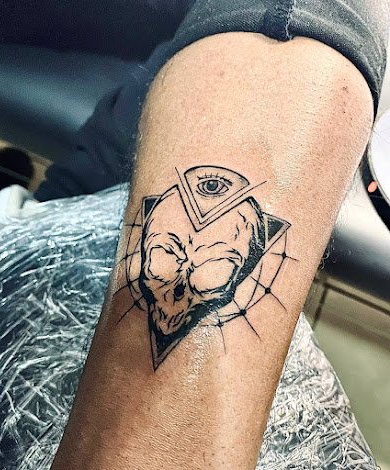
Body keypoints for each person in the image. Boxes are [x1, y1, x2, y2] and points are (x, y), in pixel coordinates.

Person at [46, 1, 389, 468]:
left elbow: (299, 39)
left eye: (214, 270)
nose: (175, 295)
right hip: (72, 202)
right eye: (165, 255)